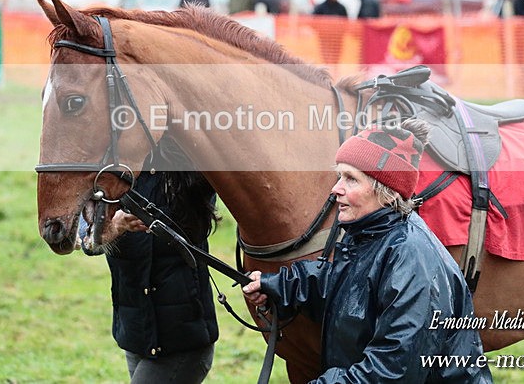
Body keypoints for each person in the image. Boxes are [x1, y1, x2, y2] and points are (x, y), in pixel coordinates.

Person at [242, 120, 492, 383]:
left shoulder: (411, 258)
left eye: (351, 179)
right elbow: (345, 288)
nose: (335, 188)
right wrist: (278, 285)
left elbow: (392, 371)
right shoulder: (369, 235)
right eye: (340, 176)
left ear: (386, 192)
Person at [104, 169, 219, 383]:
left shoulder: (189, 170)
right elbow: (83, 239)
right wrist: (114, 226)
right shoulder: (109, 171)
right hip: (136, 336)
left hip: (182, 343)